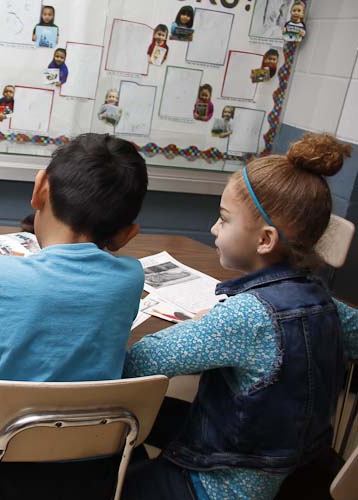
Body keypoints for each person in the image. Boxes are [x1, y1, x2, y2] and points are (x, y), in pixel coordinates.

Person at [0, 133, 149, 499]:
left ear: (39, 189)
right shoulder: (131, 279)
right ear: (128, 234)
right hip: (95, 469)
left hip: (2, 477)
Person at [122, 133, 358, 500]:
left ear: (265, 240)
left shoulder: (246, 318)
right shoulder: (324, 304)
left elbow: (140, 362)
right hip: (294, 466)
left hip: (220, 485)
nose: (214, 229)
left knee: (115, 472)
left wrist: (208, 328)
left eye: (223, 220)